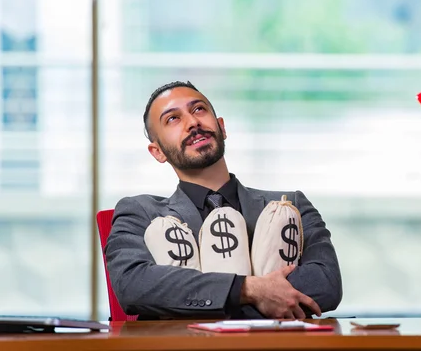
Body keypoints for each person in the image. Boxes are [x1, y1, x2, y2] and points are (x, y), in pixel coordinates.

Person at [105, 81, 343, 320]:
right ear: (158, 152)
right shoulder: (141, 214)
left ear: (222, 127)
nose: (193, 122)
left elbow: (326, 284)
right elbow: (134, 286)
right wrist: (249, 290)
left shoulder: (292, 205)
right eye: (173, 119)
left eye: (199, 109)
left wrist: (205, 296)